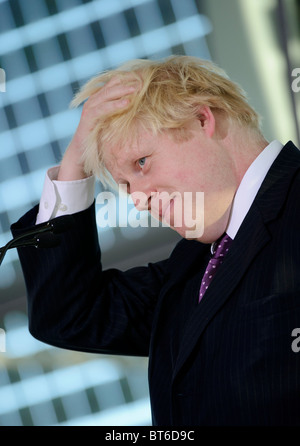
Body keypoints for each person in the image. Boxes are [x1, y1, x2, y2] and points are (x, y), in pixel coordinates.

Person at [12, 55, 300, 425]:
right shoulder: (190, 271)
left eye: (142, 163)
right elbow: (68, 314)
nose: (137, 198)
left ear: (201, 119)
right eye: (126, 185)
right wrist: (74, 165)